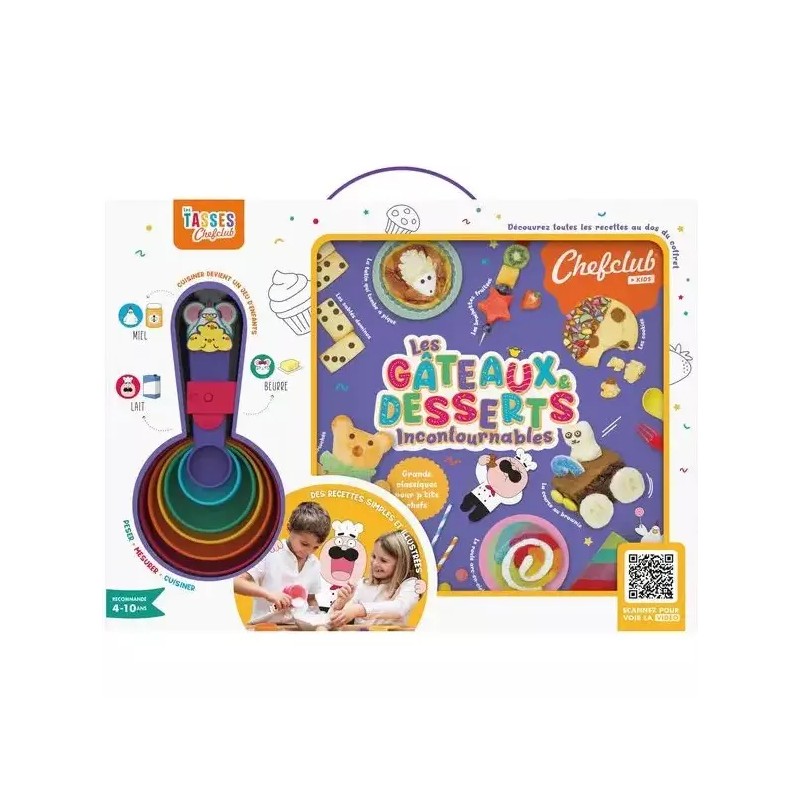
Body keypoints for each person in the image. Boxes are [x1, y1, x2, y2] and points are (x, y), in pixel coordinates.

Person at [233, 501, 331, 625]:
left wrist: (317, 620)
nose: (309, 551)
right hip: (264, 627)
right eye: (304, 544)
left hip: (296, 628)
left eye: (315, 547)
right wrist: (269, 595)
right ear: (289, 528)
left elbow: (310, 599)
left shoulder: (314, 564)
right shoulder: (270, 553)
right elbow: (236, 582)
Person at [329, 531, 421, 628]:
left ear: (402, 564)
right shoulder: (362, 584)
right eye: (374, 556)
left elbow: (400, 609)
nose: (375, 563)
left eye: (383, 560)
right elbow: (331, 623)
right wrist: (340, 604)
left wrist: (359, 609)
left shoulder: (411, 585)